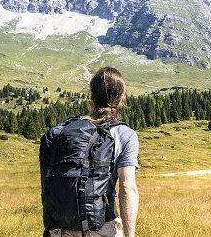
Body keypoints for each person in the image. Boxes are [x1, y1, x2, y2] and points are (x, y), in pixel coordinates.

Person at [40, 67, 139, 237]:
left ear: (91, 94)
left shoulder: (62, 132)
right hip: (101, 228)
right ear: (122, 97)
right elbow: (127, 187)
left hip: (59, 229)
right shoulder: (124, 134)